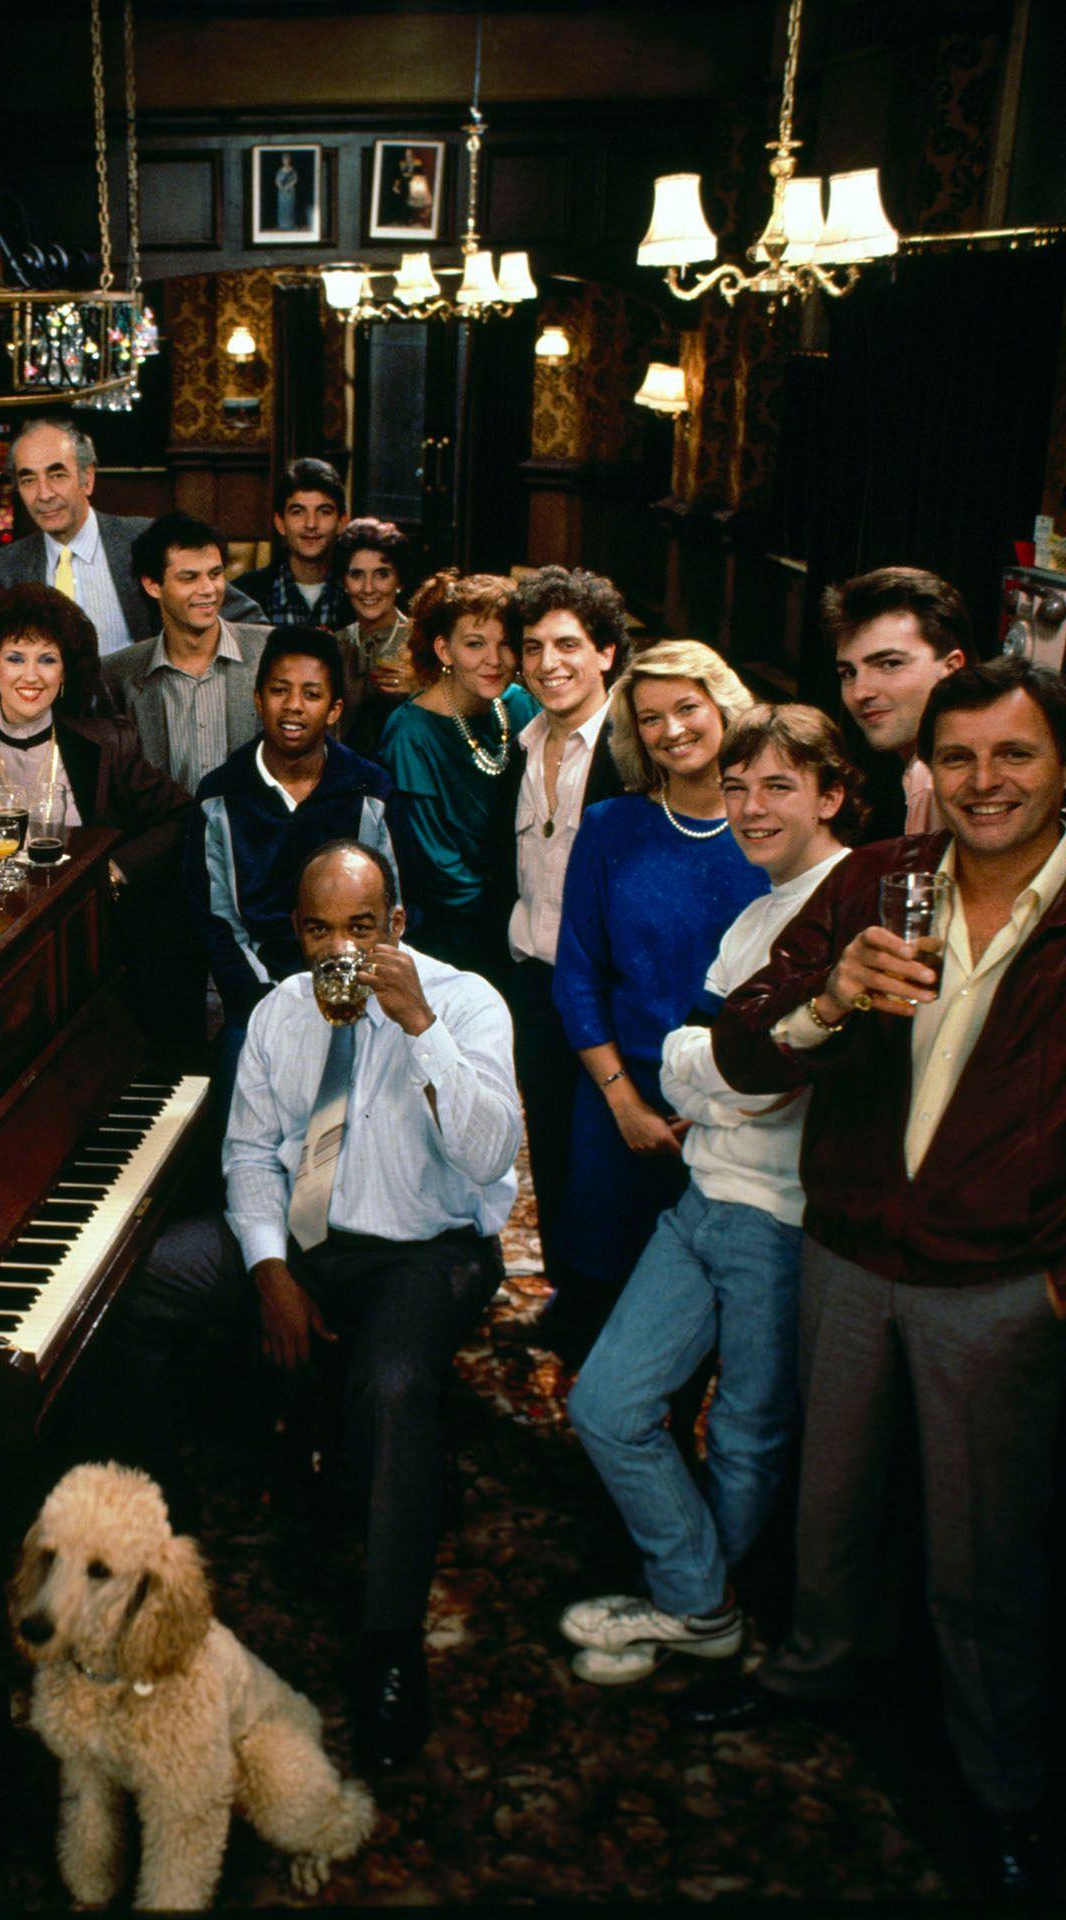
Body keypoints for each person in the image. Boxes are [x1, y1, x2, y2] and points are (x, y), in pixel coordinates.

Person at [688, 657, 1066, 1901]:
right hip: (849, 1249)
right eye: (957, 759)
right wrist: (832, 999)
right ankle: (814, 1681)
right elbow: (744, 1041)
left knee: (982, 1557)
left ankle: (1003, 1791)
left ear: (1061, 765)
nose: (983, 782)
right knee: (831, 1506)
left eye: (1013, 755)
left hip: (1003, 1284)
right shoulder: (879, 881)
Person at [87, 841, 519, 1773]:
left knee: (395, 1385)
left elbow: (490, 1162)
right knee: (138, 1283)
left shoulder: (471, 1002)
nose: (339, 952)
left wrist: (417, 1027)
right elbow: (249, 1155)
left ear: (396, 926)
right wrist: (270, 1271)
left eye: (360, 929)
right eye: (319, 930)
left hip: (424, 1246)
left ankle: (391, 1640)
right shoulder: (283, 1013)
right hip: (307, 1239)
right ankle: (170, 1527)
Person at [561, 704, 858, 1686]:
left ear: (832, 792)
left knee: (746, 1436)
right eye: (738, 786)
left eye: (778, 785)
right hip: (700, 1196)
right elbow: (694, 1063)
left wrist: (720, 1072)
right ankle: (702, 1601)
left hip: (778, 1217)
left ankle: (702, 1620)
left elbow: (752, 1075)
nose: (750, 805)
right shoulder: (758, 910)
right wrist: (724, 1071)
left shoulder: (848, 902)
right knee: (606, 1401)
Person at [548, 641, 763, 1357]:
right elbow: (576, 975)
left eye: (687, 708)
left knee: (719, 1314)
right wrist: (623, 1105)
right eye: (649, 718)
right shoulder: (612, 825)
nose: (670, 729)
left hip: (739, 1113)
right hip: (621, 1101)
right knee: (610, 1304)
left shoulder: (772, 832)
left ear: (724, 707)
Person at [0, 585, 196, 1036]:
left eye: (48, 659)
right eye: (15, 657)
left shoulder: (106, 744)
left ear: (66, 673)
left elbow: (182, 815)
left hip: (82, 944)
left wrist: (115, 870)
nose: (31, 675)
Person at [500, 566, 628, 1310]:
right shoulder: (522, 739)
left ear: (606, 652)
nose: (549, 663)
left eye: (568, 644)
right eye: (534, 646)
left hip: (605, 990)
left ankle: (611, 1312)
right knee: (547, 1145)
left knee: (603, 1157)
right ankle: (569, 1296)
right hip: (534, 979)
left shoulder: (626, 747)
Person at [183, 627, 398, 1056]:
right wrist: (268, 1005)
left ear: (335, 709)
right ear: (258, 699)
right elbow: (219, 924)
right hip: (256, 1007)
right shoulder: (219, 795)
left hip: (354, 997)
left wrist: (350, 991)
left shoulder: (370, 791)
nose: (294, 706)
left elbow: (392, 912)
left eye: (312, 694)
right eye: (280, 690)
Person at [378, 569, 538, 987]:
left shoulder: (520, 705)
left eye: (506, 644)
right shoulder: (411, 732)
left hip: (523, 918)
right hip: (454, 935)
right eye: (474, 644)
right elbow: (437, 868)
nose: (494, 659)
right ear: (443, 650)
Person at [0, 418, 262, 652]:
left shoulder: (144, 539)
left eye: (57, 475)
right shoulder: (4, 568)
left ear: (87, 479)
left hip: (139, 713)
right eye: (29, 480)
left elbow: (246, 619)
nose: (44, 494)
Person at [101, 511, 275, 795]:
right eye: (189, 578)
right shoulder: (117, 675)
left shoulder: (268, 650)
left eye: (216, 575)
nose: (208, 589)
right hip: (167, 835)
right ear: (153, 585)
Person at [825, 565, 970, 840]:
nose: (860, 692)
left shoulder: (930, 779)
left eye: (889, 664)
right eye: (848, 673)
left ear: (951, 668)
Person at [233, 458, 353, 630]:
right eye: (298, 512)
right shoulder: (244, 595)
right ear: (280, 523)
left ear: (342, 522)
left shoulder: (361, 596)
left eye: (324, 512)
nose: (311, 524)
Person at [334, 517, 415, 752]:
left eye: (382, 575)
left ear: (399, 581)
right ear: (344, 583)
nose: (368, 588)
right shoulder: (334, 645)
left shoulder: (421, 643)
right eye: (357, 575)